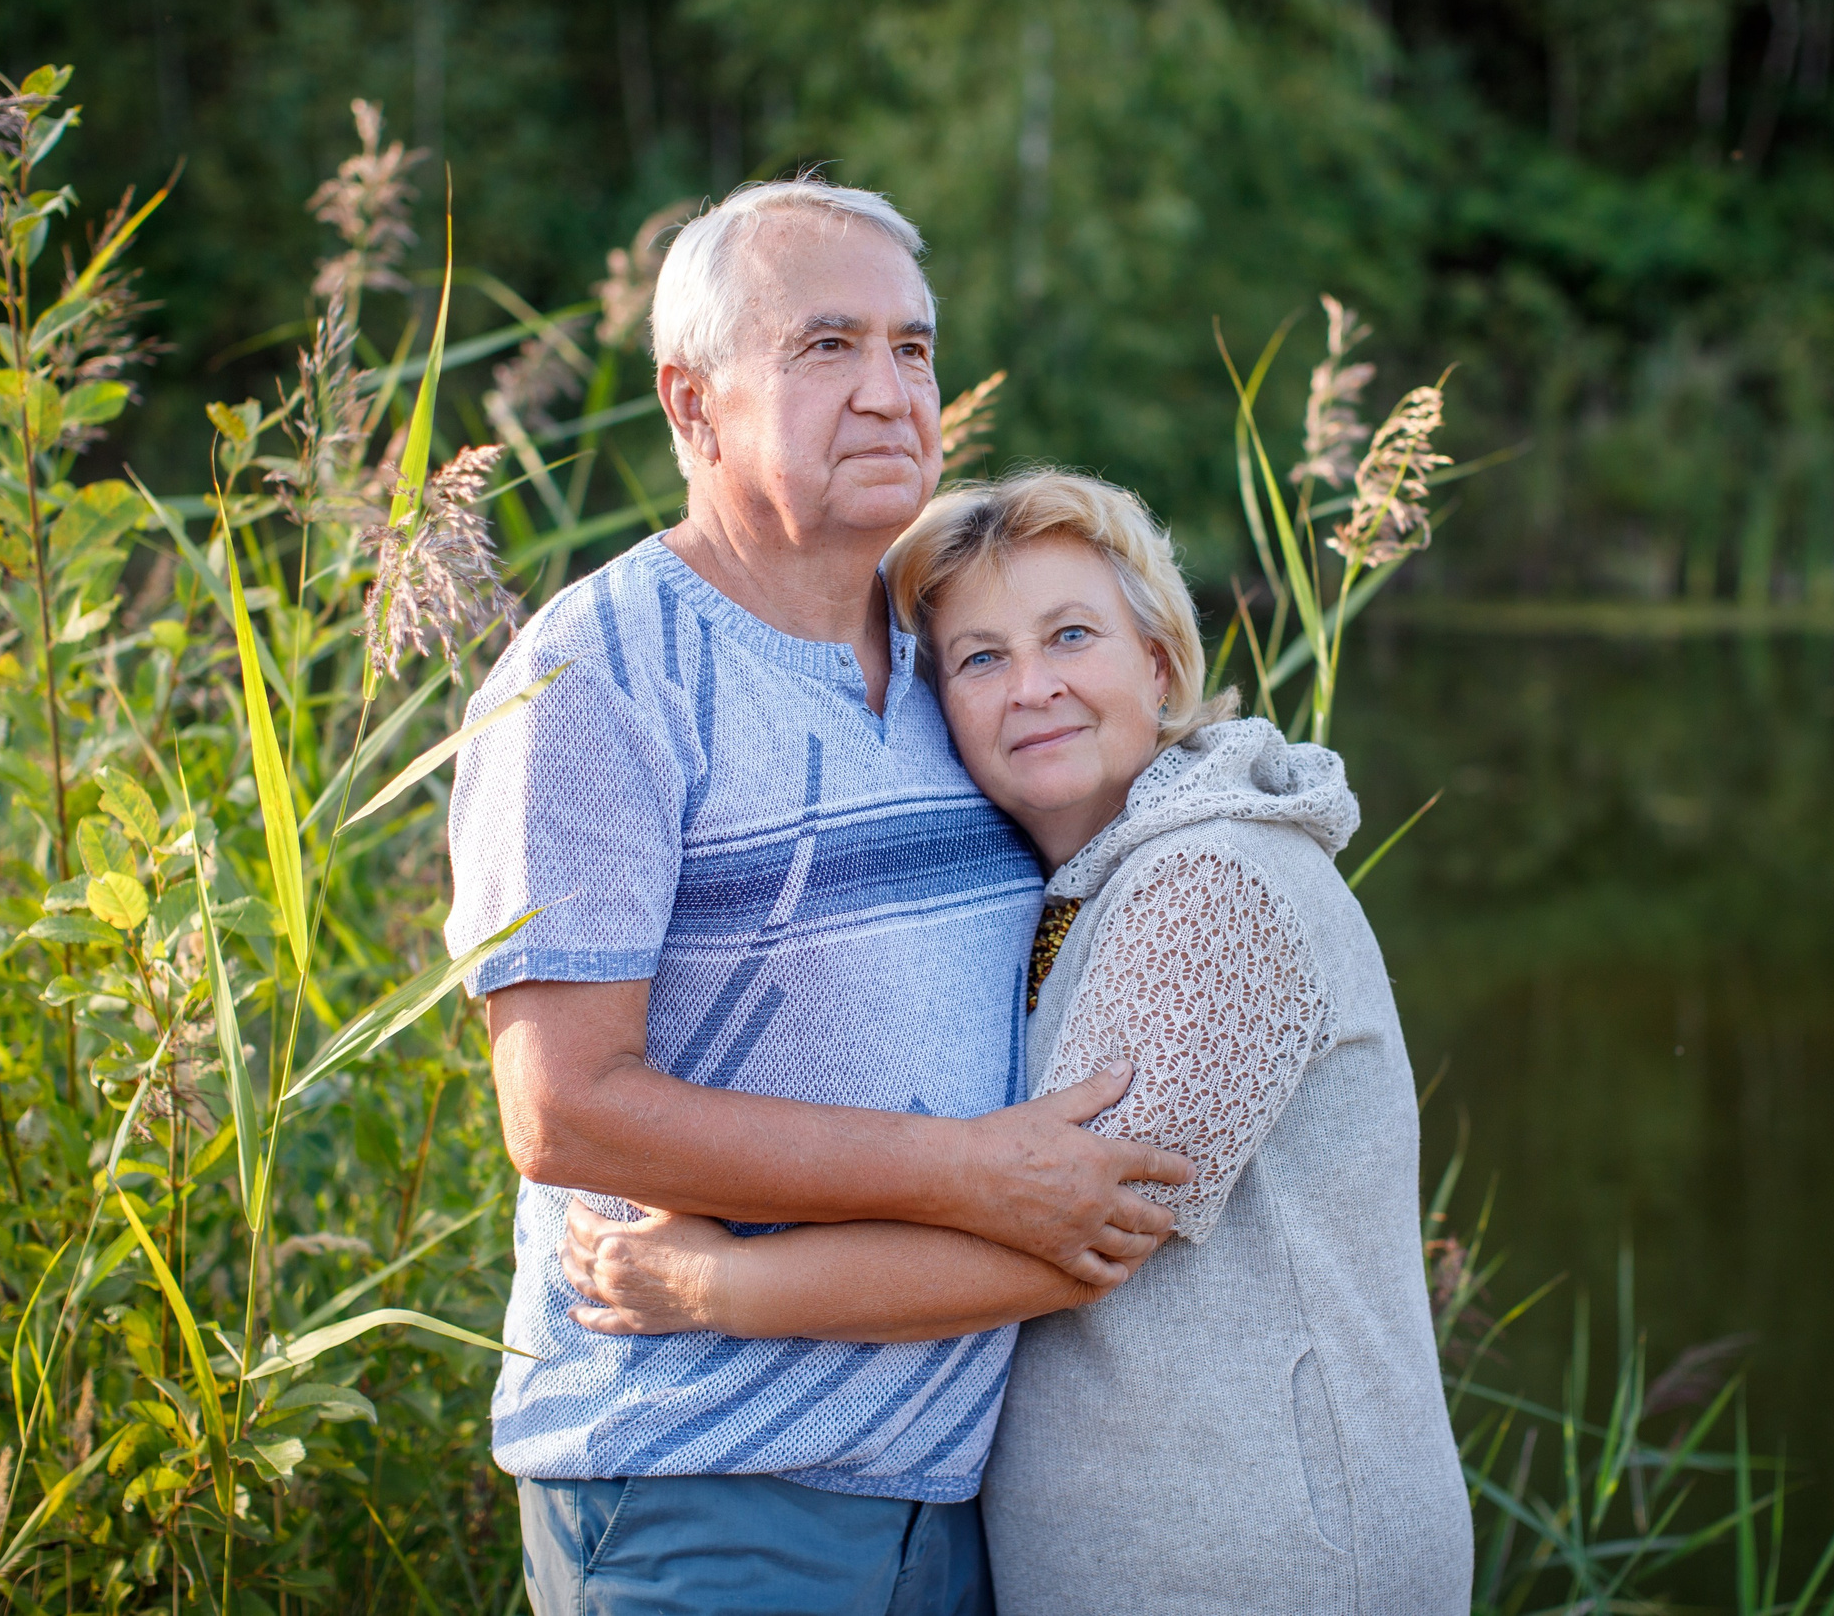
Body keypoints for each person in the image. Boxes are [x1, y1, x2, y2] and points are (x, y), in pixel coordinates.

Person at [443, 180, 1195, 1616]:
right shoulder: (597, 676)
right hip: (704, 1487)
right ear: (693, 403)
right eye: (826, 345)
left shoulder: (952, 662)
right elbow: (564, 1109)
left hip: (958, 1492)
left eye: (912, 348)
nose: (888, 391)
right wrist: (969, 1170)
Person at [562, 470, 1477, 1615]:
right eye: (980, 658)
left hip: (1261, 1555)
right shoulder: (1069, 889)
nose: (1031, 686)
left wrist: (708, 1281)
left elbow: (1064, 1240)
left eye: (1071, 636)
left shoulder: (1214, 883)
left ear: (1156, 664)